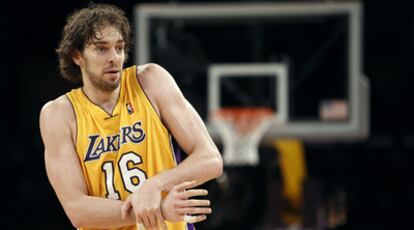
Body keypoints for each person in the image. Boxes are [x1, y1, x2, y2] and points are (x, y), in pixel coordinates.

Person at [39, 3, 223, 230]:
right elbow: (77, 210)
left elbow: (211, 160)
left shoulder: (150, 81)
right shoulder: (59, 114)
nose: (114, 57)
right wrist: (159, 210)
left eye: (119, 48)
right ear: (77, 56)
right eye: (101, 49)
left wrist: (155, 185)